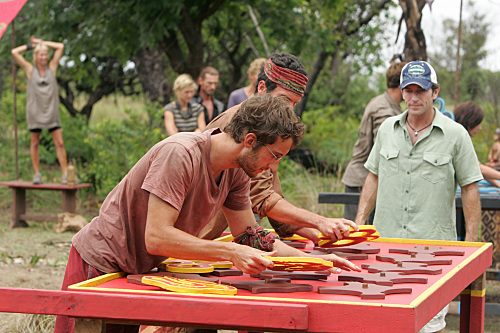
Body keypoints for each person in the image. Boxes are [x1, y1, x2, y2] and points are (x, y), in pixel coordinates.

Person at [54, 94, 360, 333]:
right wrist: (229, 252)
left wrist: (311, 260)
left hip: (136, 270)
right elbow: (157, 237)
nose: (274, 166)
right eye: (275, 155)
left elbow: (250, 236)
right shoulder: (180, 153)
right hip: (99, 264)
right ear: (250, 140)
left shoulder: (236, 171)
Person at [355, 61, 482, 333]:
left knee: (428, 324)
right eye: (408, 90)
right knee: (382, 320)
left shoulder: (456, 134)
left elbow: (470, 186)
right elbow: (373, 176)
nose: (414, 97)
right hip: (384, 247)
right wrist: (359, 224)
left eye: (421, 90)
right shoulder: (387, 129)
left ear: (434, 92)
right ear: (401, 92)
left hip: (434, 251)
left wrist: (470, 244)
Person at [198, 53, 358, 244]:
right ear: (262, 88)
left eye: (295, 104)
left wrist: (320, 235)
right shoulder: (241, 125)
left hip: (199, 243)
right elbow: (262, 197)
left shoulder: (265, 124)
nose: (290, 110)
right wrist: (319, 221)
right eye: (284, 100)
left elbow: (269, 192)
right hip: (186, 243)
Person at [342, 61, 407, 224]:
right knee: (356, 237)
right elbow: (387, 151)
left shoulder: (385, 103)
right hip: (362, 181)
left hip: (367, 179)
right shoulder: (384, 110)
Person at [11, 35, 68, 184]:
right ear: (36, 56)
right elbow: (15, 52)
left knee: (59, 143)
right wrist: (31, 46)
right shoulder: (30, 69)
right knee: (34, 142)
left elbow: (60, 46)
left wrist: (42, 43)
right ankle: (37, 174)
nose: (44, 57)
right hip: (35, 110)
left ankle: (65, 174)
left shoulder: (52, 67)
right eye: (41, 54)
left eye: (46, 54)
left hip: (51, 111)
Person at [454, 101, 500, 187]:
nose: (480, 128)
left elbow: (477, 169)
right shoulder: (455, 139)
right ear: (470, 122)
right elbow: (478, 168)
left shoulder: (462, 138)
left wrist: (497, 184)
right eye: (478, 123)